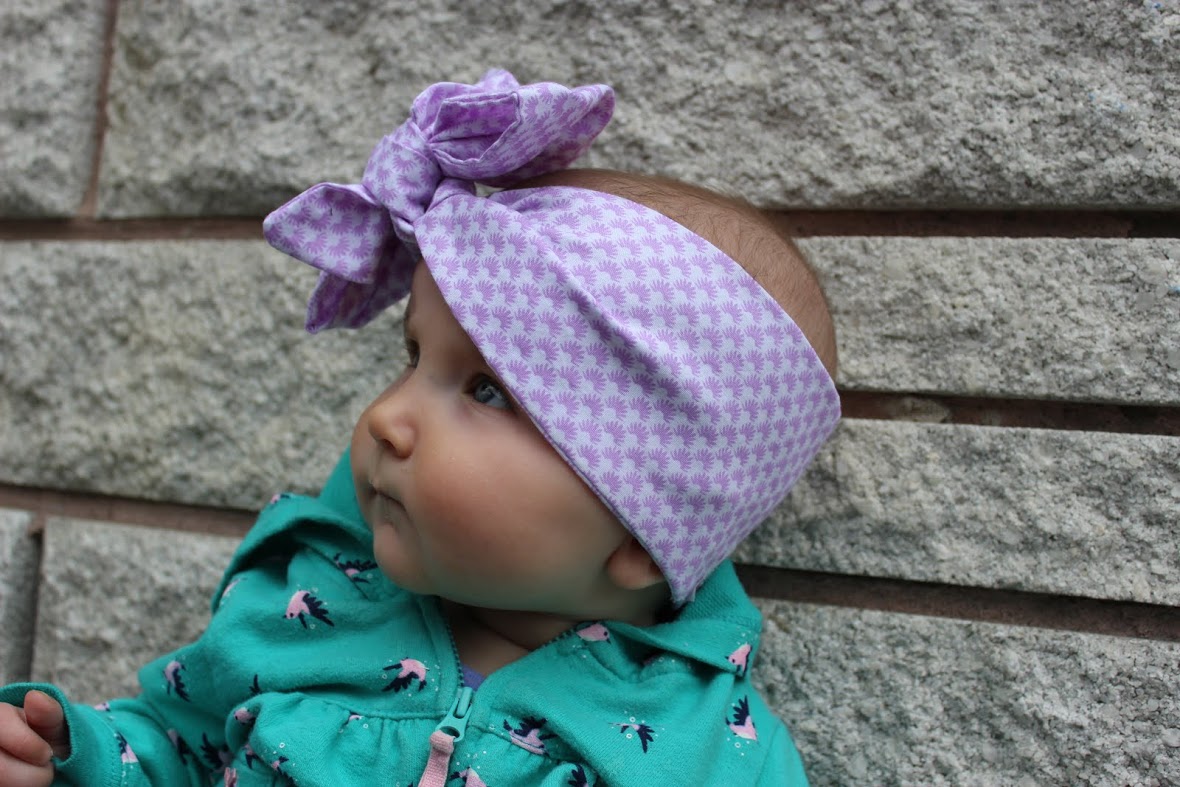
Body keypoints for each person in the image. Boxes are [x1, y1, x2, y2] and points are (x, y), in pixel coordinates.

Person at [0, 69, 840, 786]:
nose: (386, 418)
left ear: (644, 534)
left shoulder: (708, 755)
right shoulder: (305, 613)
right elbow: (179, 743)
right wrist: (78, 755)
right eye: (411, 357)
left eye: (486, 390)